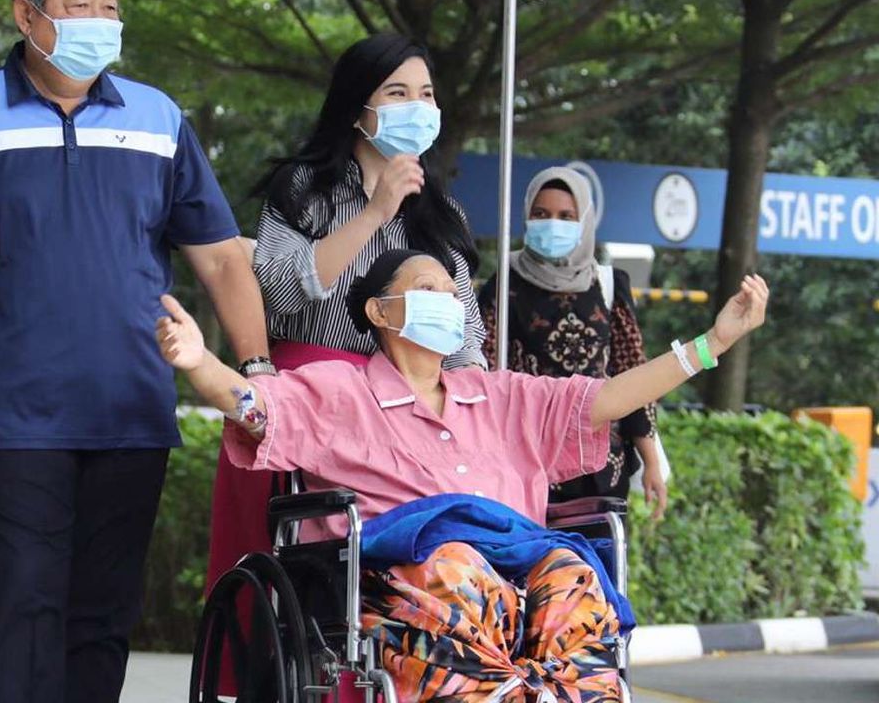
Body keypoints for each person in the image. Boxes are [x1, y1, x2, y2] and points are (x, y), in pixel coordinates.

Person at [0, 0, 269, 703]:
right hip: (4, 417)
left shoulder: (158, 121)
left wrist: (258, 373)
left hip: (128, 411)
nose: (101, 22)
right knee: (24, 599)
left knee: (102, 616)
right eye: (80, 7)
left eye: (111, 8)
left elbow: (224, 259)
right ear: (27, 14)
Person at [159, 248, 769, 701]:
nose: (448, 301)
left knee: (573, 574)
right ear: (379, 309)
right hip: (400, 583)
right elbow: (257, 409)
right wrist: (201, 363)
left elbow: (610, 398)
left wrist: (712, 342)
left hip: (512, 575)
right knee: (458, 566)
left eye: (454, 292)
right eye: (429, 287)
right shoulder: (340, 391)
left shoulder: (501, 396)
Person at [205, 34, 487, 593]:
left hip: (407, 411)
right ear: (357, 107)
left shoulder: (441, 213)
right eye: (397, 93)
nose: (418, 108)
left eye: (426, 95)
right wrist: (376, 211)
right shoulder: (304, 189)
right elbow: (279, 293)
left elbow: (464, 339)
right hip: (306, 400)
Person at [479, 165, 669, 520]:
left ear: (584, 221)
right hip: (527, 463)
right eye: (541, 214)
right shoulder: (505, 281)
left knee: (599, 569)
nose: (553, 224)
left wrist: (652, 461)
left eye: (566, 216)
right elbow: (481, 369)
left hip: (601, 469)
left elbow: (633, 375)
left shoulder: (609, 285)